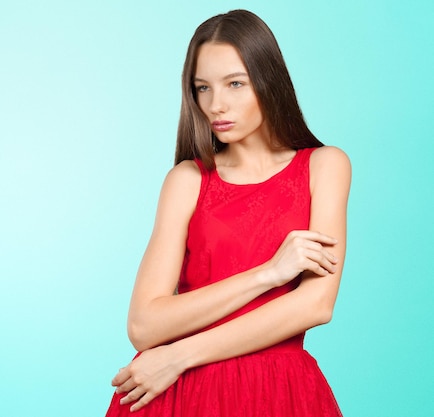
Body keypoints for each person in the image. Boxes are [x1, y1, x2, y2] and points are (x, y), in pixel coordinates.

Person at [104, 9, 351, 417]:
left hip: (275, 392)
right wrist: (269, 273)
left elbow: (315, 305)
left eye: (235, 83)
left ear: (269, 80)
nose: (216, 104)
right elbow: (144, 326)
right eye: (202, 88)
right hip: (175, 395)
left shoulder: (325, 166)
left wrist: (178, 357)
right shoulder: (187, 179)